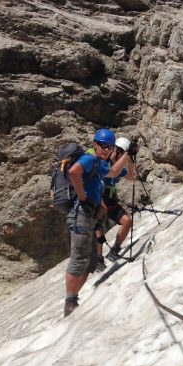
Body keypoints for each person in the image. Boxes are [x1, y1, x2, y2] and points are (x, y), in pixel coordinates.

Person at [63, 128, 130, 317]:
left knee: (90, 261)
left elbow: (115, 171)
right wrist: (83, 196)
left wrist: (127, 154)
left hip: (89, 213)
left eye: (109, 147)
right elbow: (74, 172)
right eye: (103, 145)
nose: (106, 150)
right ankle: (70, 302)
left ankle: (73, 298)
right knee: (79, 258)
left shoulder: (99, 163)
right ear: (95, 144)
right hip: (81, 214)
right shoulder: (90, 158)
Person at [93, 136, 138, 269]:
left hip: (111, 200)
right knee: (99, 227)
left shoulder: (118, 167)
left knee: (127, 221)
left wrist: (129, 158)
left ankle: (114, 251)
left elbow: (132, 177)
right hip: (99, 199)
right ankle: (99, 258)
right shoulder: (102, 163)